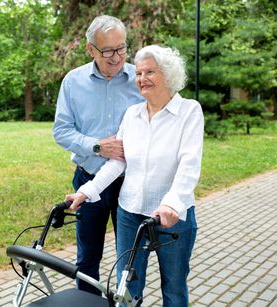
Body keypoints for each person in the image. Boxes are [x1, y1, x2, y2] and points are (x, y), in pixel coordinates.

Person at [66, 45, 204, 306]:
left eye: (149, 71)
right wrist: (87, 191)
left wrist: (172, 203)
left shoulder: (189, 111)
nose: (141, 78)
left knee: (174, 287)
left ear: (168, 74)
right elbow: (118, 162)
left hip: (173, 217)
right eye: (139, 73)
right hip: (129, 212)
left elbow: (189, 164)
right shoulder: (133, 114)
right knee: (126, 287)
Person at [53, 15, 144, 295]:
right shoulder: (73, 82)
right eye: (107, 51)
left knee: (130, 261)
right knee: (87, 259)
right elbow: (61, 131)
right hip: (87, 180)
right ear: (90, 49)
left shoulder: (140, 80)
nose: (116, 57)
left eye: (121, 48)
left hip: (129, 184)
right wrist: (97, 146)